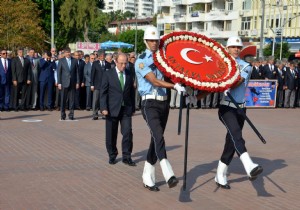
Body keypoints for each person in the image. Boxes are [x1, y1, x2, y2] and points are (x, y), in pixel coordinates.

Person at [135, 26, 186, 192]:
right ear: (145, 41)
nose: (154, 43)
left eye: (156, 40)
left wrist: (182, 82)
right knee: (158, 135)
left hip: (164, 103)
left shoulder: (165, 58)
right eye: (150, 40)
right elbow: (154, 81)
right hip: (149, 103)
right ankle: (167, 170)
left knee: (155, 139)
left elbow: (175, 72)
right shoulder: (141, 60)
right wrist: (174, 86)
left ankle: (147, 176)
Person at [214, 36, 263, 189]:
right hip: (226, 107)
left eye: (238, 47)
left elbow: (239, 81)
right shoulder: (220, 65)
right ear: (227, 48)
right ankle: (249, 165)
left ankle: (220, 174)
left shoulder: (246, 66)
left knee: (231, 142)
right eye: (233, 47)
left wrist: (228, 83)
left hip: (240, 108)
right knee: (236, 134)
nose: (236, 49)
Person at [100, 53, 136, 166]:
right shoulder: (108, 74)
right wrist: (103, 108)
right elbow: (103, 92)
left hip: (126, 109)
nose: (124, 66)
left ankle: (127, 156)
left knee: (127, 133)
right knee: (111, 134)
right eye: (121, 63)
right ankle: (112, 155)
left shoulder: (130, 74)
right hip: (111, 109)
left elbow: (131, 92)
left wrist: (133, 107)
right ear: (116, 62)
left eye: (125, 63)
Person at [57, 47, 79, 120]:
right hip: (64, 83)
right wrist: (59, 83)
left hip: (73, 83)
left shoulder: (75, 61)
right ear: (64, 53)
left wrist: (77, 82)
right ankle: (63, 115)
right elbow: (59, 73)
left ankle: (71, 115)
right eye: (66, 52)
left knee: (72, 100)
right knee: (63, 99)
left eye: (69, 52)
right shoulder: (61, 61)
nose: (68, 53)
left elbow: (77, 72)